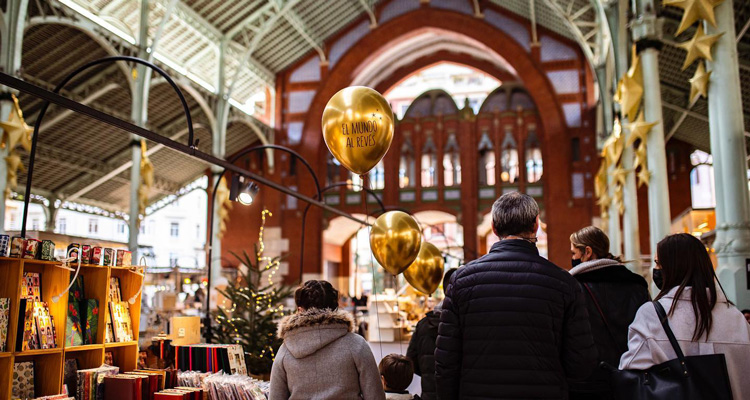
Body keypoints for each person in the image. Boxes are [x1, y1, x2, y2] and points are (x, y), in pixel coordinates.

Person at [435, 192, 597, 400]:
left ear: (493, 227)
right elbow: (582, 363)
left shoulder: (461, 280)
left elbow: (446, 361)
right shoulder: (564, 283)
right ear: (536, 225)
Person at [620, 233, 750, 399]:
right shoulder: (736, 318)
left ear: (674, 267)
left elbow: (631, 374)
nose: (656, 270)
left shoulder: (652, 315)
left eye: (658, 264)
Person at [568, 226, 650, 399]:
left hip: (588, 381)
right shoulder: (636, 285)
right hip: (631, 375)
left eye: (574, 253)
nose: (572, 258)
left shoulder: (574, 288)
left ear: (587, 252)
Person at [270, 280, 385, 400]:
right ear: (335, 308)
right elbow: (375, 395)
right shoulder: (357, 345)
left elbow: (275, 397)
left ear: (300, 310)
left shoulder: (285, 350)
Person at [406, 269, 457, 400]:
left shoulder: (423, 325)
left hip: (429, 393)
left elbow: (411, 361)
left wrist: (428, 373)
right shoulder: (463, 323)